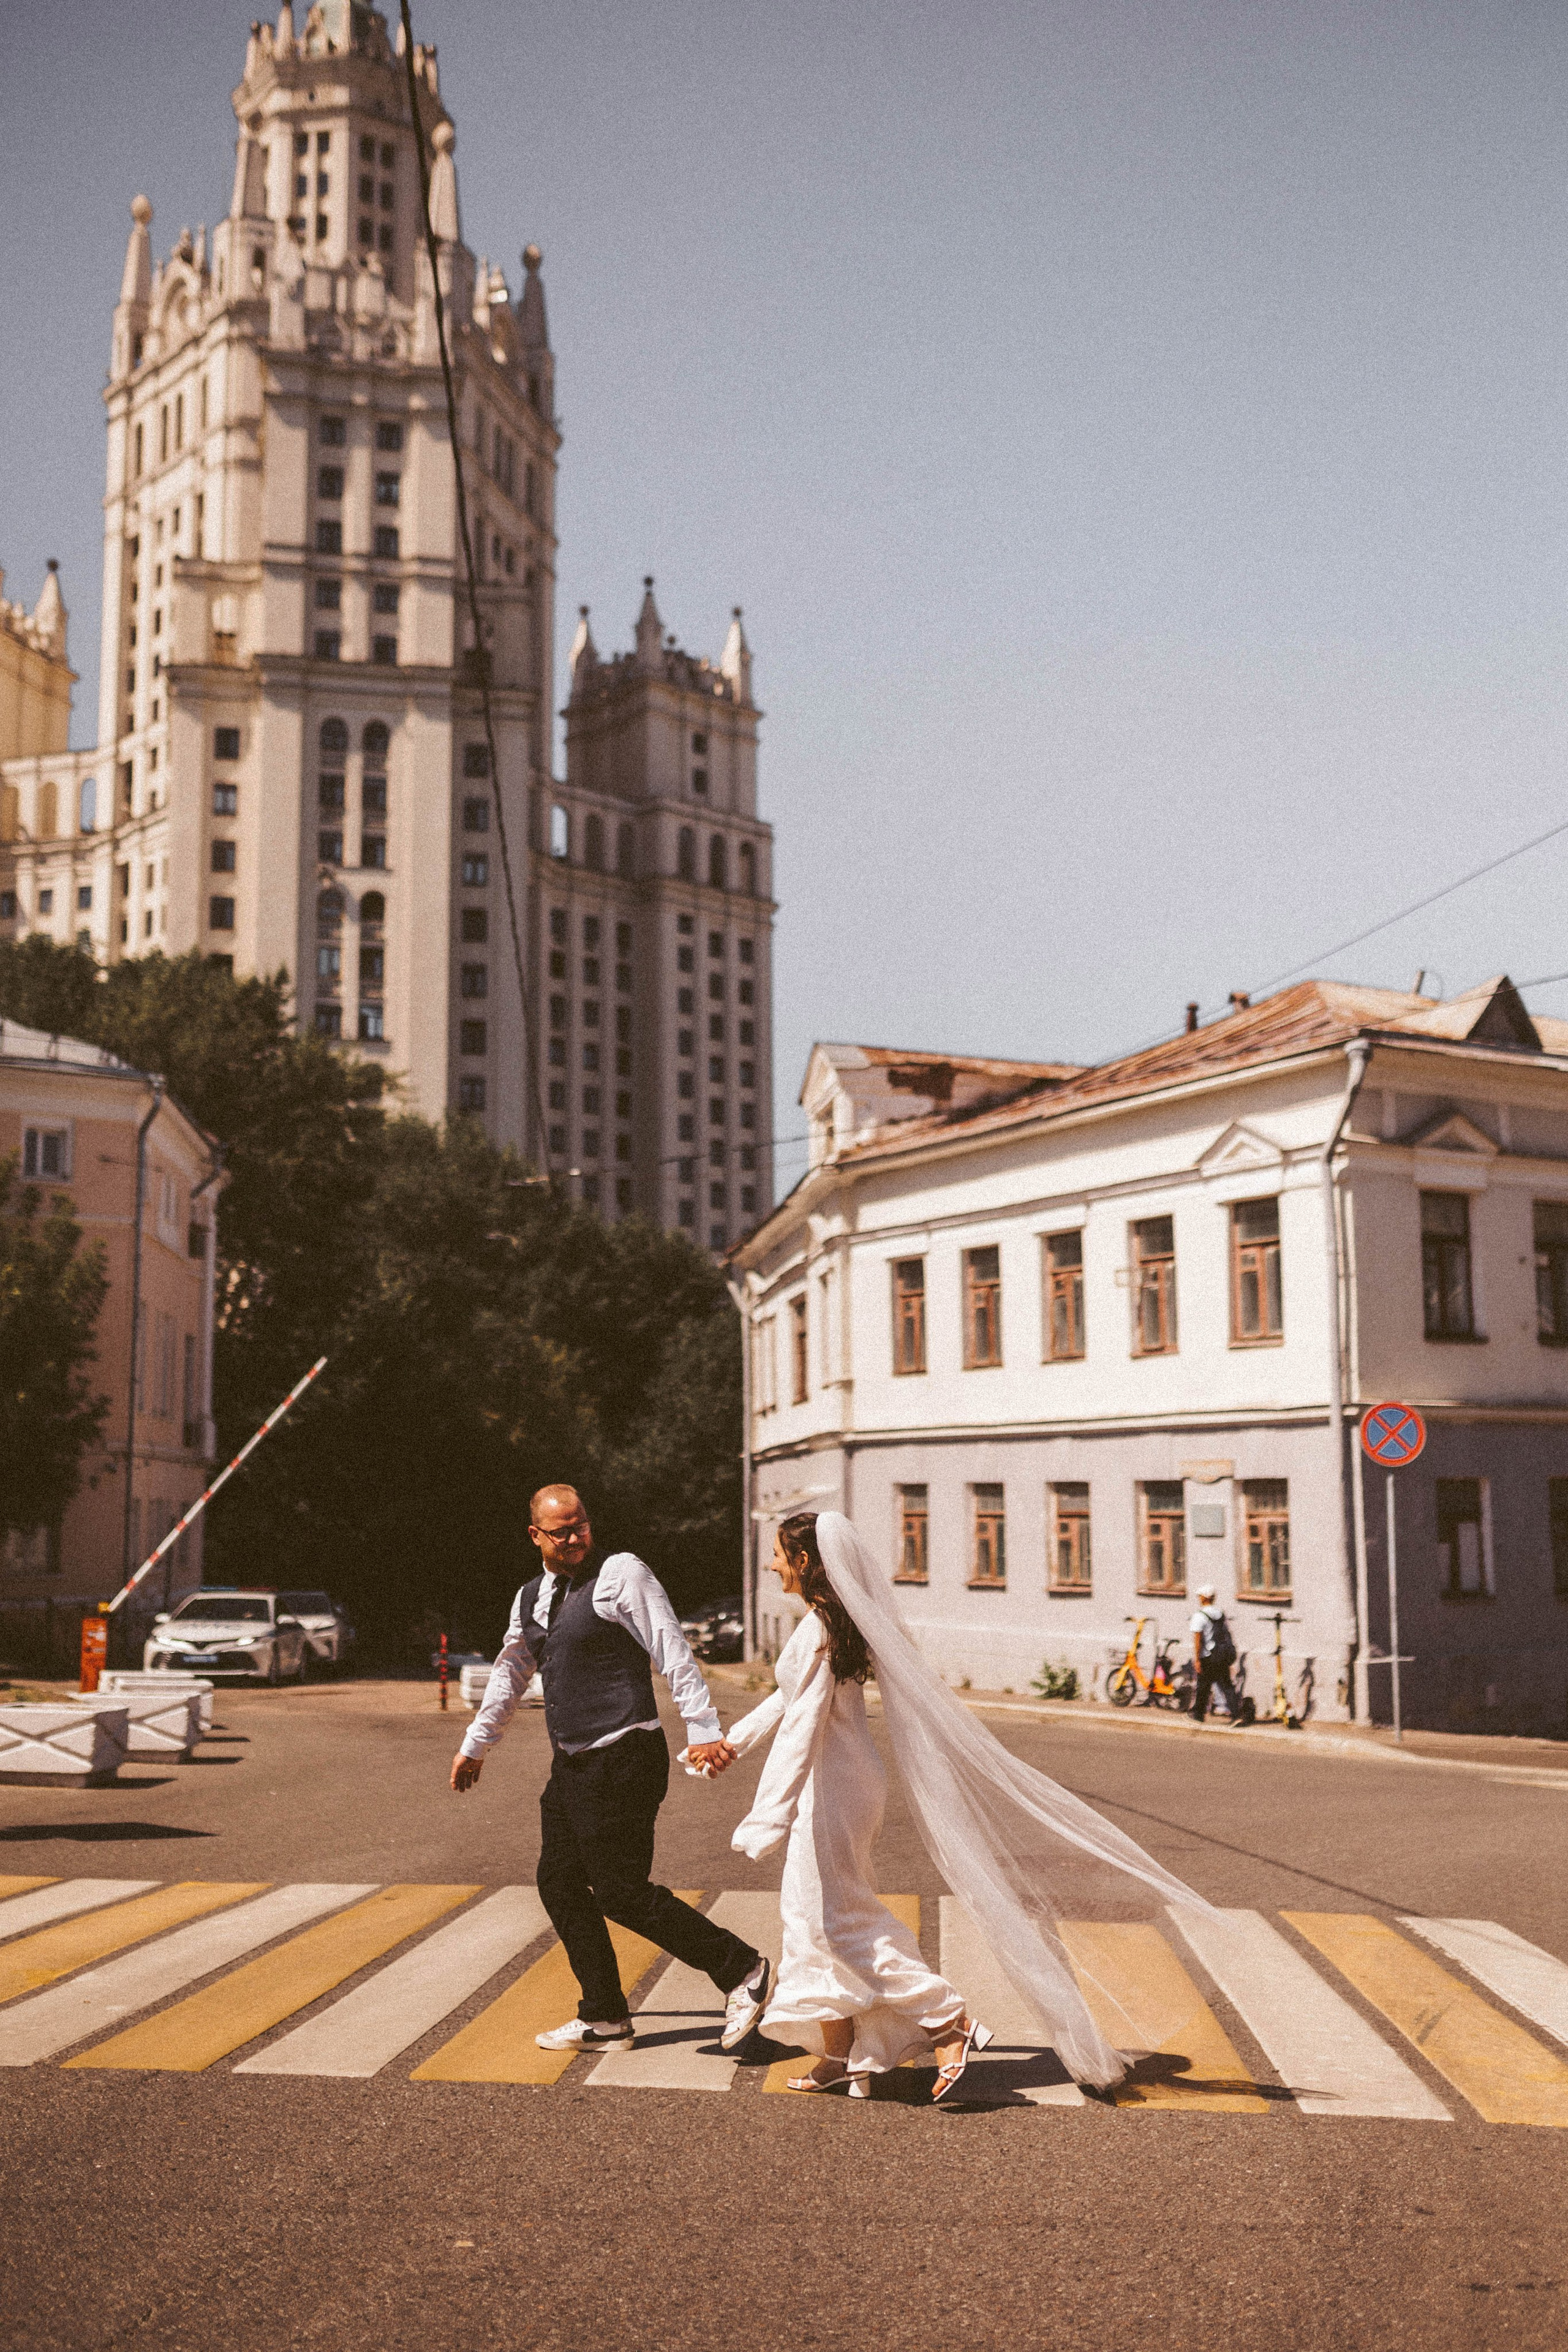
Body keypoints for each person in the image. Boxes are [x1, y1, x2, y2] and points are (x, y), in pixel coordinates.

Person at [711, 1512, 1218, 2101]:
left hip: (833, 1787)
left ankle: (947, 2018)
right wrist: (732, 1743)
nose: (772, 1564)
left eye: (778, 1554)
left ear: (803, 1563)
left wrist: (765, 1816)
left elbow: (802, 1724)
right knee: (807, 1917)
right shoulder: (829, 1622)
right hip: (834, 1782)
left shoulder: (821, 1627)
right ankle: (843, 2049)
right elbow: (787, 1700)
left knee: (838, 1918)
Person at [451, 1483, 771, 2053]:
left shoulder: (621, 1573)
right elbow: (511, 1670)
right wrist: (478, 1743)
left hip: (625, 1754)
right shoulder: (530, 1597)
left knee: (620, 1891)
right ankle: (604, 2016)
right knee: (559, 1882)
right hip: (572, 1762)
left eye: (581, 1526)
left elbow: (670, 1645)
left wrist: (703, 1729)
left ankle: (743, 1969)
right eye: (561, 1531)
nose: (574, 1538)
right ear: (536, 1536)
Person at [1189, 1583, 1242, 1725]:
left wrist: (1197, 1660)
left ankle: (1199, 1715)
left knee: (1203, 1686)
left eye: (1200, 1596)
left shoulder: (1199, 1616)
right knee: (1227, 1686)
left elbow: (1198, 1639)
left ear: (1204, 1598)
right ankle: (1237, 1715)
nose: (1199, 1598)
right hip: (1222, 1655)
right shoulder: (1220, 1613)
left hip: (1208, 1656)